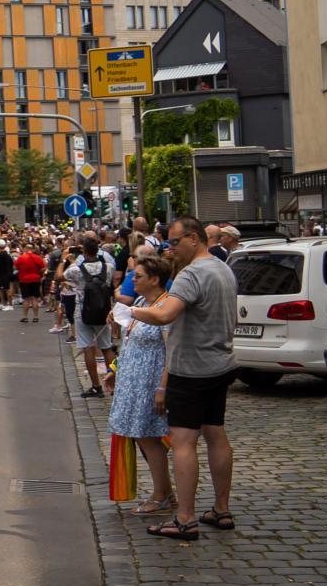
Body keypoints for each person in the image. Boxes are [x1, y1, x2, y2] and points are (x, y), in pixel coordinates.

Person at [128, 216, 238, 541]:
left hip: (191, 368)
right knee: (216, 434)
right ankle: (221, 509)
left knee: (183, 442)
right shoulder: (222, 268)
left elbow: (164, 314)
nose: (170, 249)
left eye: (175, 242)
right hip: (220, 363)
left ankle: (185, 518)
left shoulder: (192, 274)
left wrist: (129, 313)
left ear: (193, 238)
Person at [108, 255, 175, 516]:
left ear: (155, 279)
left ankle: (161, 495)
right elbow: (130, 341)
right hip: (133, 383)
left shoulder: (165, 307)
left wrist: (162, 388)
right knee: (142, 437)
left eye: (137, 276)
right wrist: (116, 370)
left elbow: (171, 351)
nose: (132, 280)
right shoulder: (139, 303)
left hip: (149, 384)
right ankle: (165, 492)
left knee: (149, 439)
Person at [68, 235, 119, 398]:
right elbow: (112, 283)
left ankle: (96, 386)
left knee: (87, 347)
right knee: (106, 346)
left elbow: (59, 276)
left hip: (83, 311)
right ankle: (114, 384)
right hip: (104, 311)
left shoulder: (76, 269)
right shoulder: (109, 267)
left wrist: (68, 260)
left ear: (83, 251)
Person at [14, 242, 46, 324]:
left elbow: (15, 267)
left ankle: (25, 317)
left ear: (26, 249)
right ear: (33, 249)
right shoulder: (38, 257)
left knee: (26, 298)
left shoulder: (21, 257)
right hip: (35, 279)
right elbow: (43, 268)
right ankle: (36, 317)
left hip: (24, 280)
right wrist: (38, 273)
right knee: (35, 298)